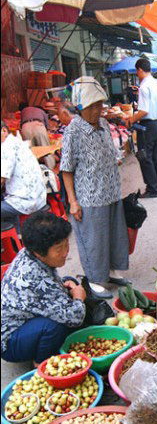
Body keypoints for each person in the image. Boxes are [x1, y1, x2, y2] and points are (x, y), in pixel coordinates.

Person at [60, 76, 130, 300]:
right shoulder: (73, 131)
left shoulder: (103, 124)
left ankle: (108, 274)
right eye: (94, 105)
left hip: (110, 191)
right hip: (89, 197)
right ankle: (93, 280)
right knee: (93, 239)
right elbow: (66, 169)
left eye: (100, 104)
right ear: (81, 107)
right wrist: (72, 202)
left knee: (112, 236)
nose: (99, 109)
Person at [1, 212, 87, 365]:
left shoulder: (27, 252)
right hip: (10, 342)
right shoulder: (34, 278)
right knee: (54, 327)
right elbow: (76, 318)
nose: (66, 252)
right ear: (38, 253)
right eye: (59, 249)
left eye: (66, 244)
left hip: (23, 318)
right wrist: (79, 297)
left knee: (70, 282)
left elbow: (51, 283)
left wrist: (64, 285)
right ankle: (42, 362)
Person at [127, 58, 157, 198]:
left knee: (145, 157)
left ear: (140, 70)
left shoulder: (144, 86)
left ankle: (152, 189)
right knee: (155, 157)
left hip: (147, 125)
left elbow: (144, 111)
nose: (137, 74)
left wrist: (130, 120)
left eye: (137, 71)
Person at [1, 120, 47, 230]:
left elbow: (2, 178)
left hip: (26, 200)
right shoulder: (16, 142)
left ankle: (13, 239)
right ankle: (15, 239)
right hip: (38, 196)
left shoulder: (6, 147)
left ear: (4, 131)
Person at [19, 103, 56, 169]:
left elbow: (21, 125)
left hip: (25, 127)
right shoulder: (42, 112)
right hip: (38, 125)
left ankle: (33, 170)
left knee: (30, 150)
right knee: (45, 148)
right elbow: (47, 126)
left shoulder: (24, 110)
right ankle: (51, 169)